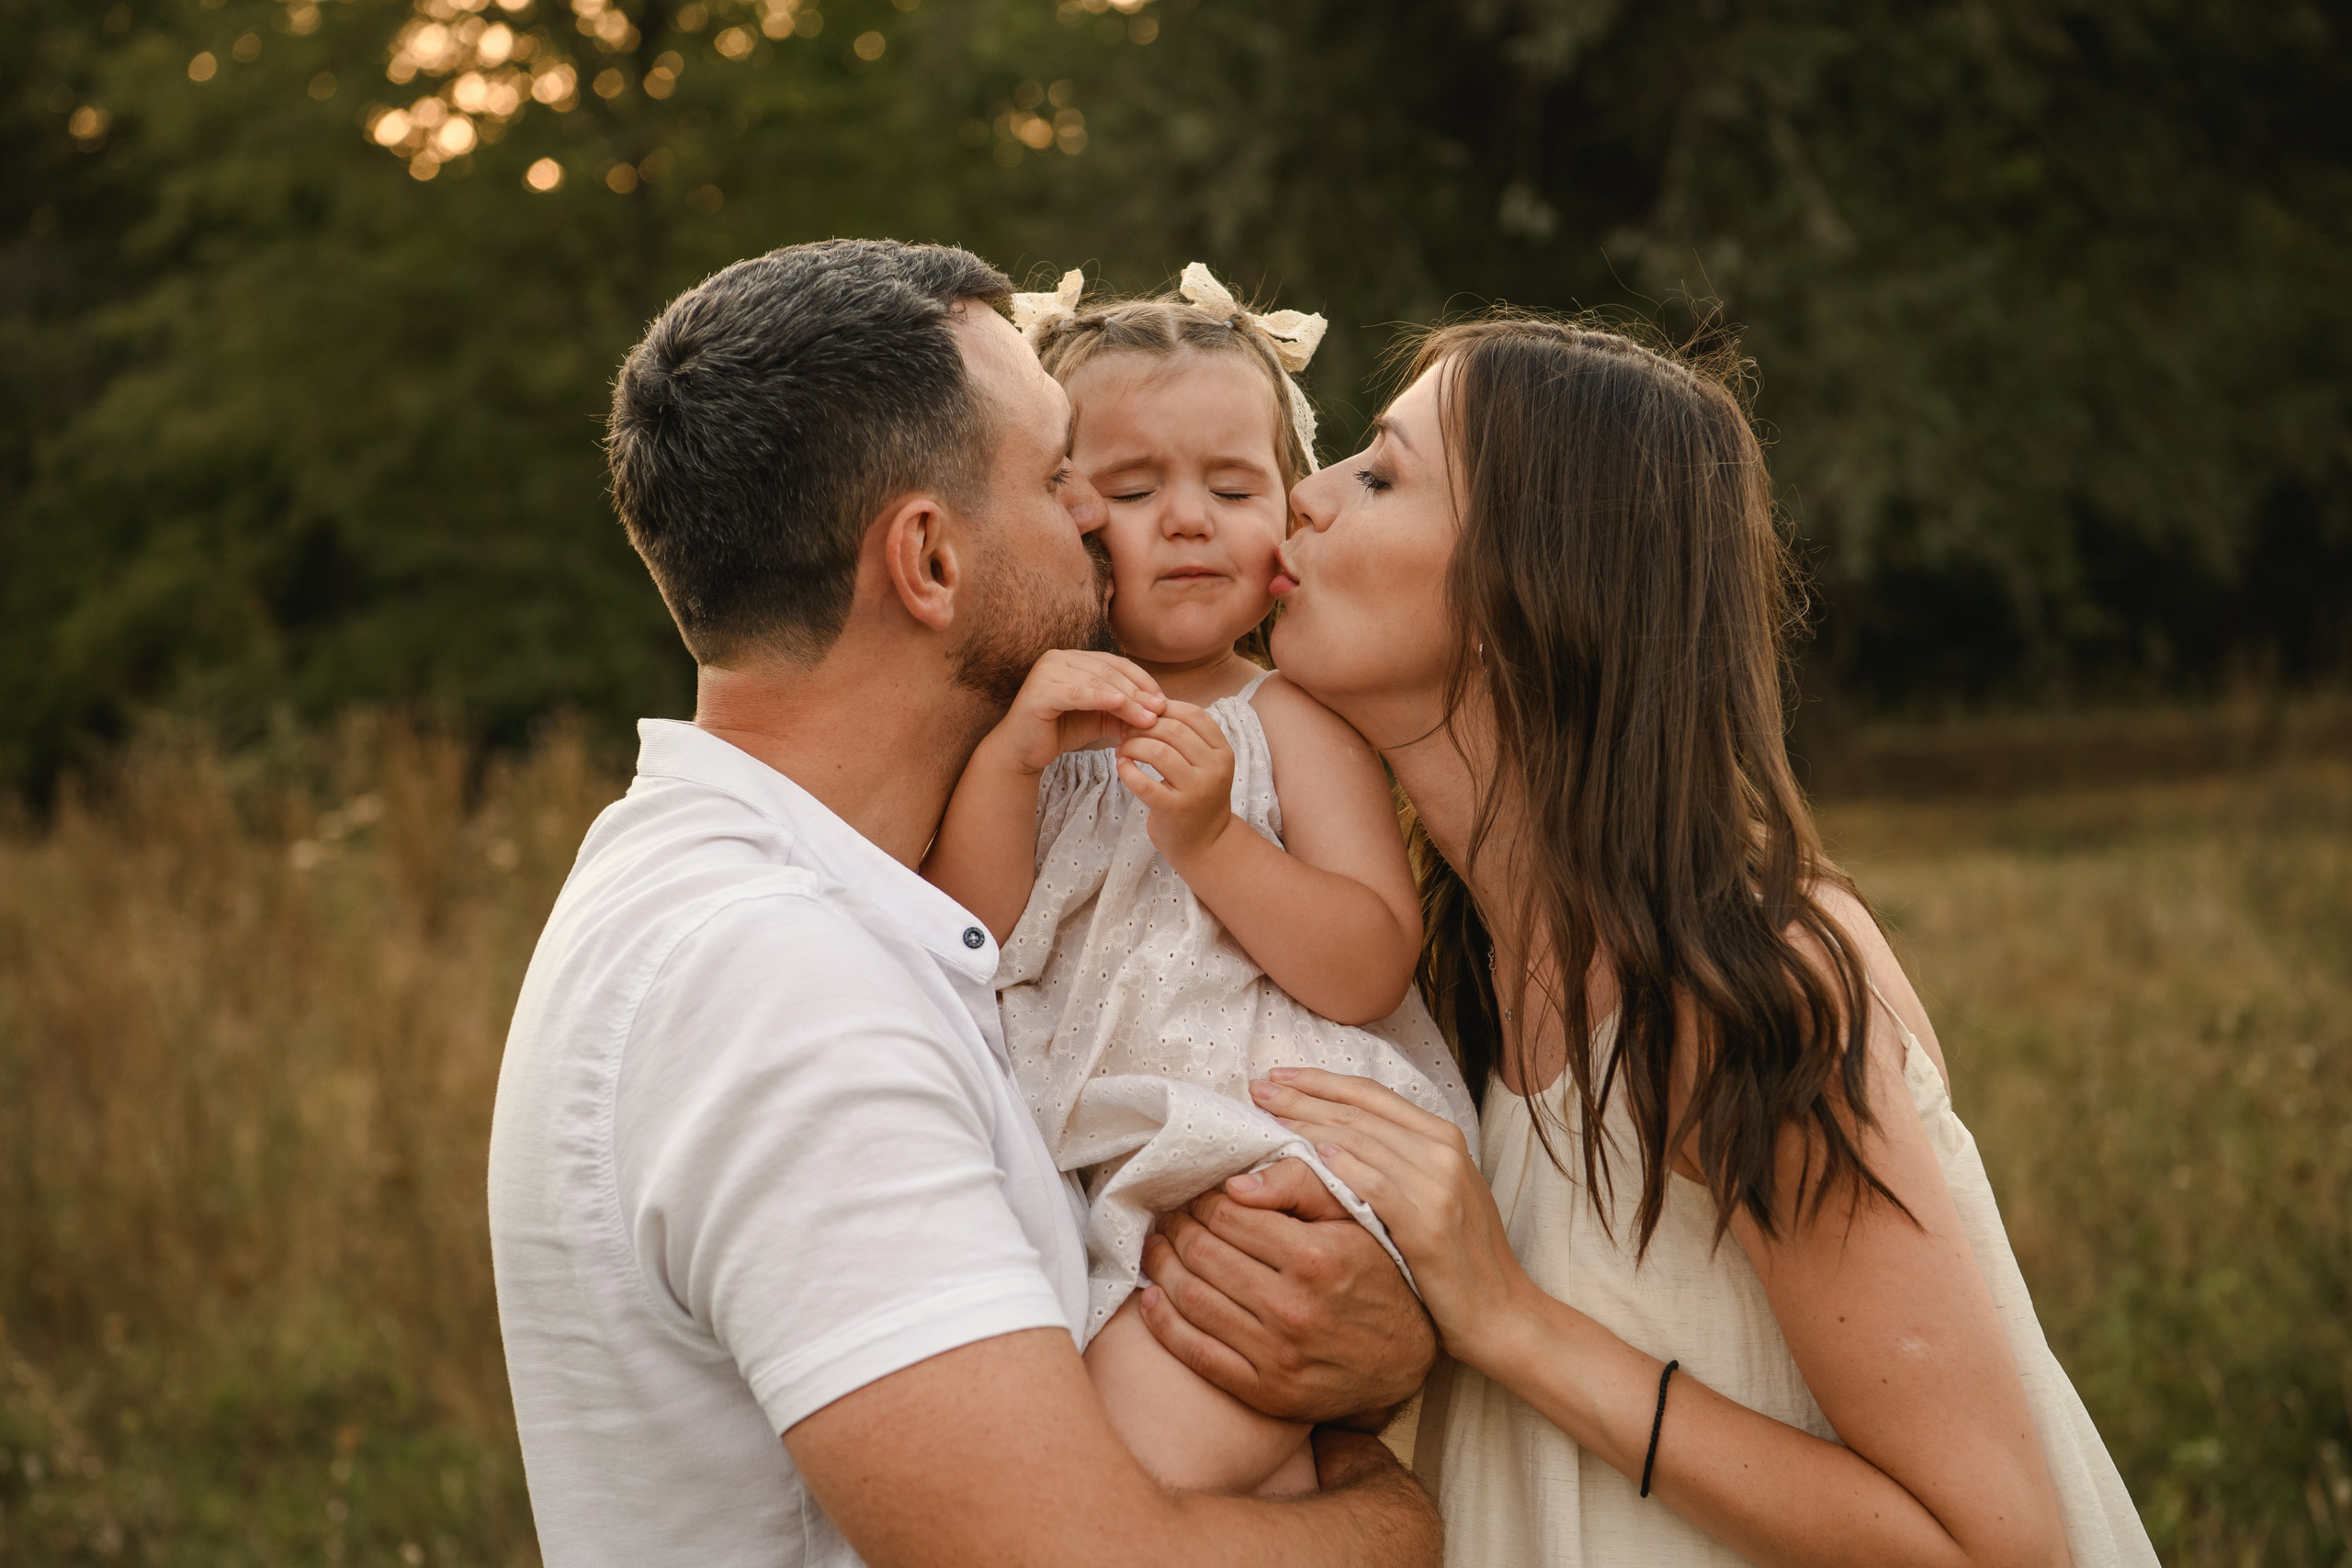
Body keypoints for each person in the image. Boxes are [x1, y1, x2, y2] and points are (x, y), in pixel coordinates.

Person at [484, 239, 1441, 1568]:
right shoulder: (777, 991)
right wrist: (1390, 1517)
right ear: (929, 562)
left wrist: (1370, 1330)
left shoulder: (778, 900)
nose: (1117, 523)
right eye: (1067, 479)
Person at [1155, 315, 2161, 1564]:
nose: (1303, 497)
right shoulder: (1435, 975)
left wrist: (1510, 1320)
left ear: (1531, 588)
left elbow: (1994, 1546)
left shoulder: (1741, 978)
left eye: (1383, 474)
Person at [922, 265, 1476, 1500]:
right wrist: (1014, 760)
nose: (1187, 519)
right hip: (1088, 1191)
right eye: (1132, 488)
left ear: (1289, 511)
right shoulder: (1029, 726)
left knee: (1135, 1471)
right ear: (1059, 507)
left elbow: (1370, 957)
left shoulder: (1295, 722)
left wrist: (1217, 843)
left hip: (1268, 1161)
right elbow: (969, 937)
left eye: (1233, 487)